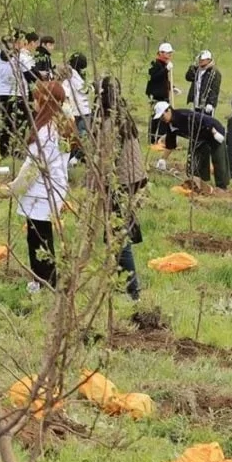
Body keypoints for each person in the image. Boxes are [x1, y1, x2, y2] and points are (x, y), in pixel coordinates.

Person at [6, 81, 69, 292]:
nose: (33, 102)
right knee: (39, 236)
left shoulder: (46, 132)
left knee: (39, 239)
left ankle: (45, 282)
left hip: (42, 192)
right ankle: (44, 280)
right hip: (50, 188)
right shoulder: (57, 126)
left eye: (35, 98)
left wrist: (13, 189)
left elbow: (33, 167)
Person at [90, 77, 144, 301]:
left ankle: (133, 290)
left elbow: (104, 161)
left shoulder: (110, 124)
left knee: (119, 236)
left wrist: (92, 187)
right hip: (130, 181)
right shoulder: (122, 116)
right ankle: (120, 282)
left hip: (120, 184)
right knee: (114, 234)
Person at [154, 102, 231, 189]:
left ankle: (222, 186)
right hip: (199, 138)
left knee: (219, 158)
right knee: (198, 159)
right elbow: (170, 143)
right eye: (160, 118)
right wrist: (163, 159)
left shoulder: (183, 116)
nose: (162, 119)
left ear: (168, 110)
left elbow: (204, 121)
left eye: (162, 116)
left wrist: (215, 133)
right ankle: (201, 183)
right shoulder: (170, 124)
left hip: (213, 131)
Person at [0, 31, 33, 158]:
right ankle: (11, 150)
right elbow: (30, 77)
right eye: (21, 42)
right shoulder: (20, 57)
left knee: (6, 123)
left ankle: (5, 151)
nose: (23, 45)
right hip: (17, 93)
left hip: (1, 93)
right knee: (18, 124)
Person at [61, 52, 92, 164]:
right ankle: (75, 159)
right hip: (80, 112)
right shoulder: (72, 75)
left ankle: (75, 159)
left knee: (76, 138)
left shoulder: (74, 76)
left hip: (79, 111)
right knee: (81, 138)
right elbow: (85, 89)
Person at [146, 42, 178, 143]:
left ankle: (161, 139)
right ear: (161, 53)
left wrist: (172, 87)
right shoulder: (155, 65)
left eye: (170, 53)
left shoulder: (165, 65)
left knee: (165, 119)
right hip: (157, 96)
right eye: (167, 53)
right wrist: (166, 70)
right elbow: (155, 77)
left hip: (164, 95)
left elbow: (164, 80)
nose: (170, 55)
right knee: (157, 119)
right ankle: (152, 139)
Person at [185, 50, 222, 117]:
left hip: (206, 104)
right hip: (195, 102)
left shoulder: (214, 73)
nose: (200, 61)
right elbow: (188, 77)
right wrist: (192, 67)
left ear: (208, 60)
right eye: (200, 59)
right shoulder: (197, 70)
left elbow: (215, 89)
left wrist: (211, 103)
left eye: (202, 60)